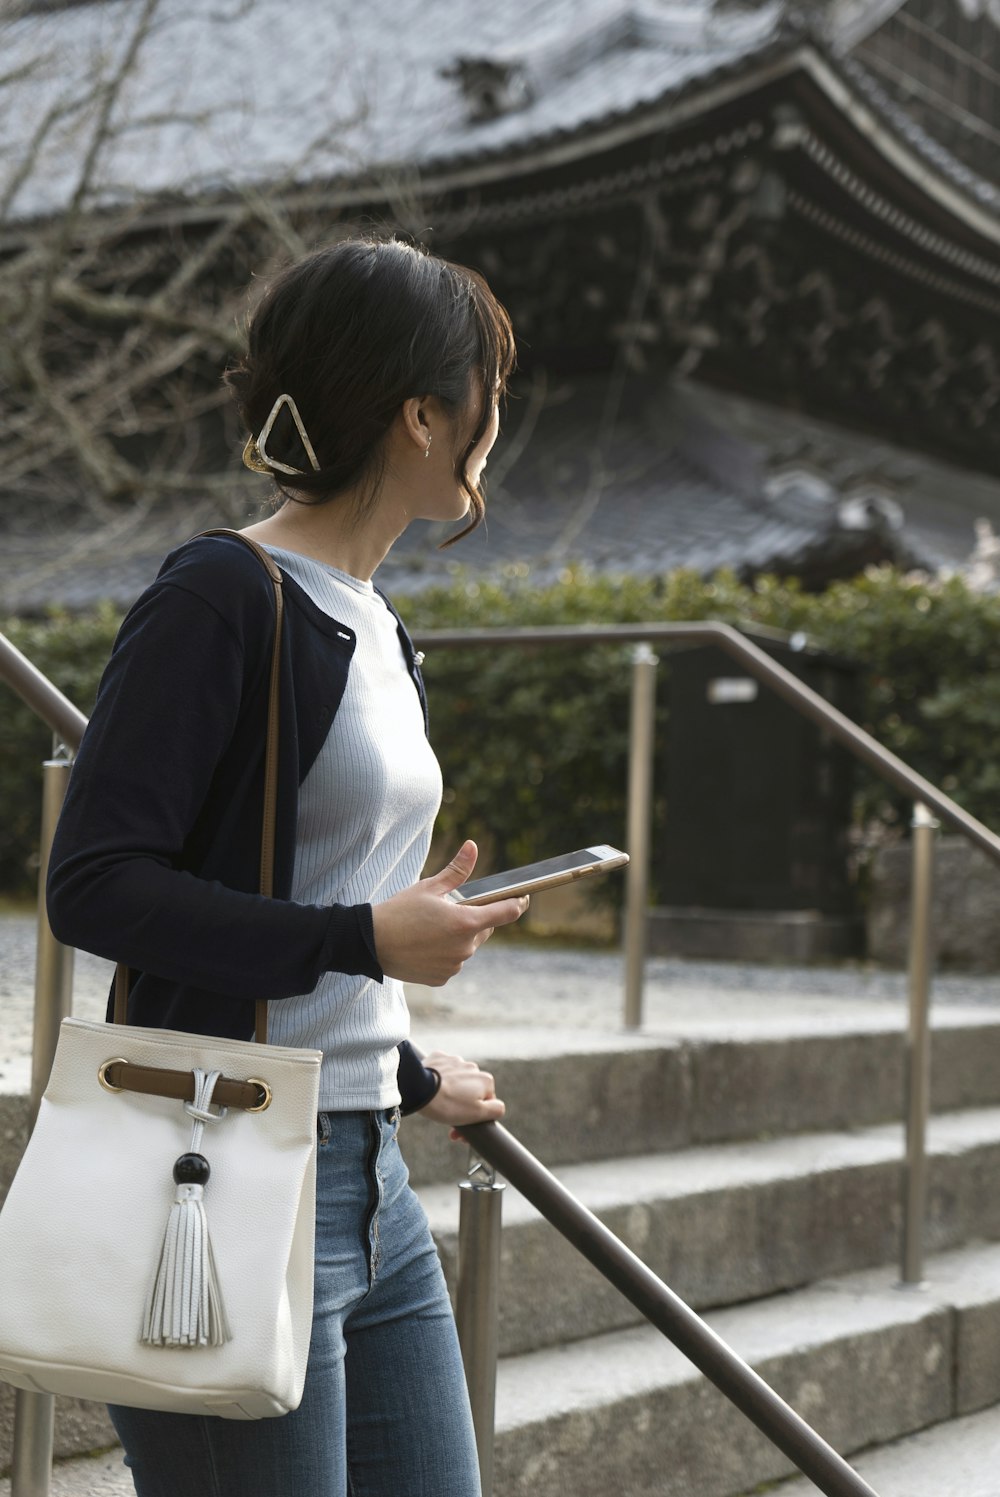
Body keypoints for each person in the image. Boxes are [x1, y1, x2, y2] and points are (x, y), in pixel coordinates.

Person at [46, 235, 526, 1497]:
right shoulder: (219, 593)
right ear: (422, 414)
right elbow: (95, 884)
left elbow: (309, 883)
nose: (494, 423)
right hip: (224, 1171)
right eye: (484, 390)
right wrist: (364, 940)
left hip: (367, 1171)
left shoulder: (374, 620)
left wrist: (402, 1063)